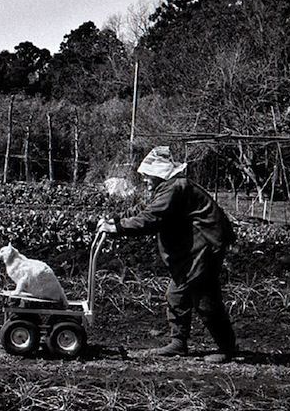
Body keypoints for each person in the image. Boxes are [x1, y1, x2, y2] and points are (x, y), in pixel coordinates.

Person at [97, 146, 237, 363]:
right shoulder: (168, 188)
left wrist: (117, 228)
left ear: (158, 173)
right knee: (176, 294)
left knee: (204, 298)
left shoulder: (175, 188)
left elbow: (152, 218)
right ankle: (178, 343)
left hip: (205, 246)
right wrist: (115, 220)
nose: (144, 180)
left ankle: (227, 348)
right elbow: (145, 210)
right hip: (193, 250)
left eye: (147, 176)